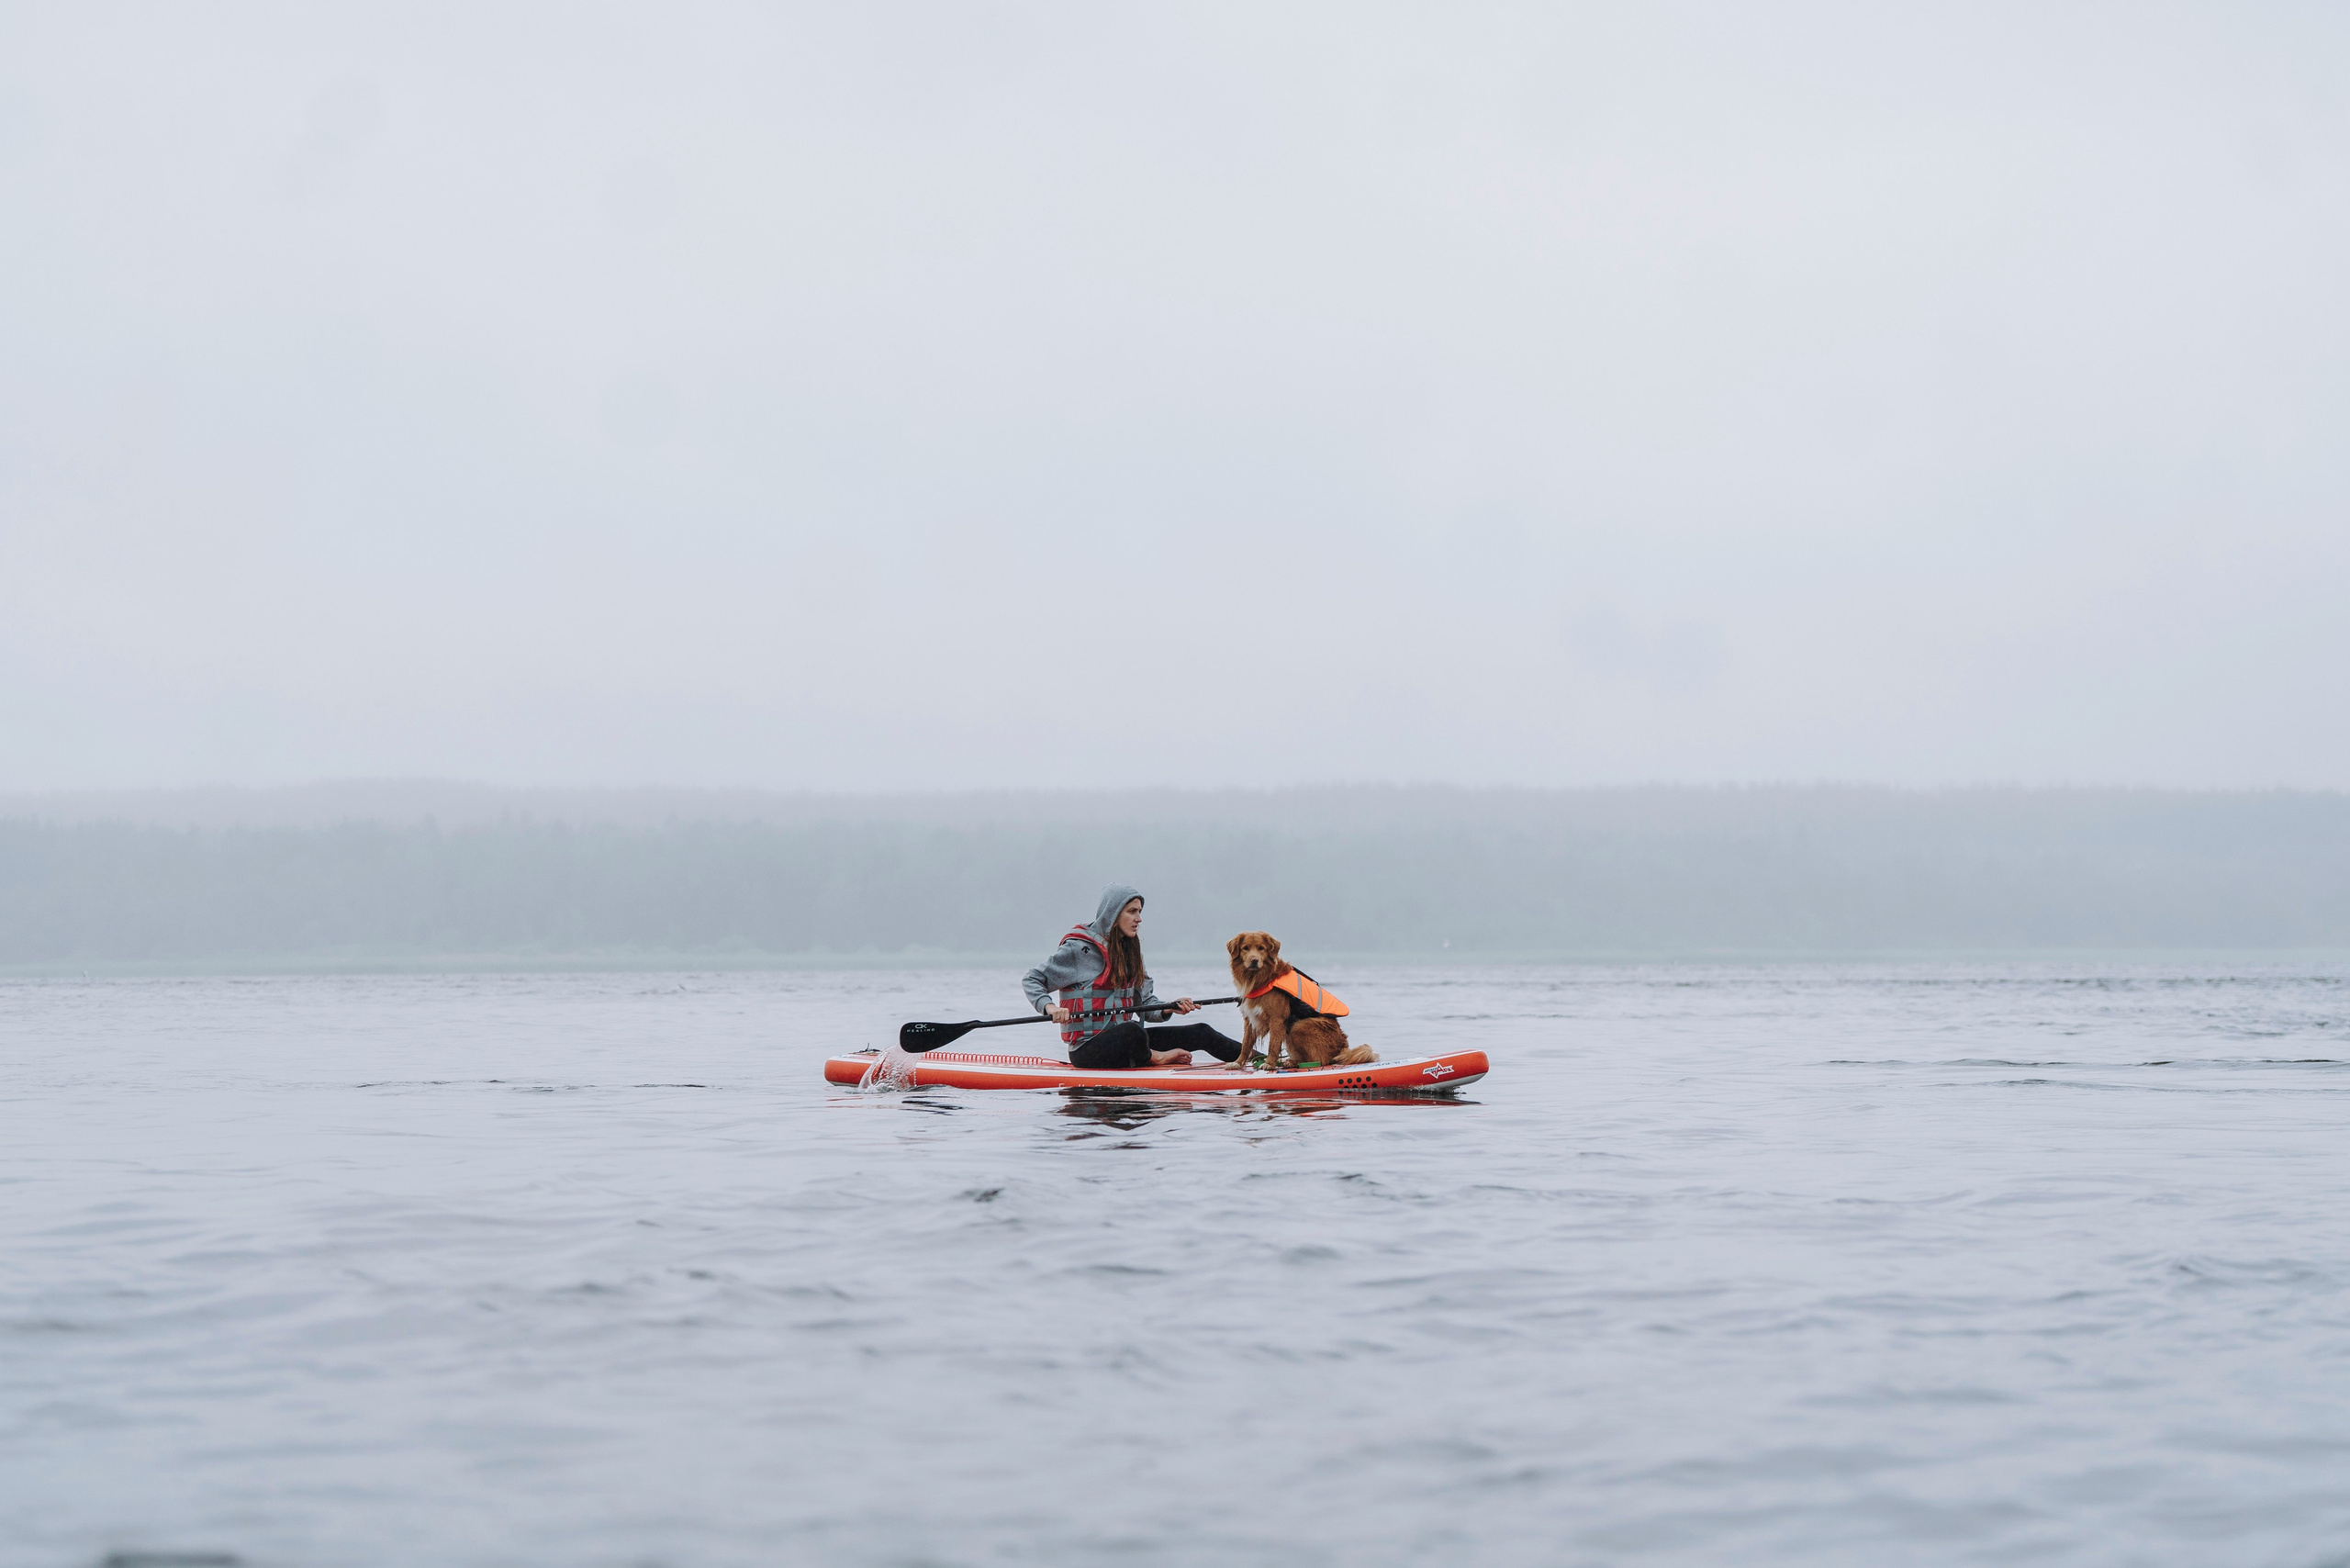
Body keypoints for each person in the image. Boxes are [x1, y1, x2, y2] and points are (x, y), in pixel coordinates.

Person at [1024, 885, 1244, 1070]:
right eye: (1132, 912)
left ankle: (1257, 1060)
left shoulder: (1131, 952)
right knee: (1133, 1031)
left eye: (1139, 912)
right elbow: (1032, 979)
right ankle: (1156, 1057)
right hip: (1088, 1050)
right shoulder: (1078, 951)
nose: (1139, 919)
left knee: (1201, 1032)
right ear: (1113, 914)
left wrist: (1168, 1008)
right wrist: (1050, 1008)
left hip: (1130, 1043)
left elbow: (1145, 1004)